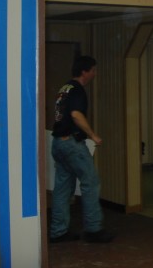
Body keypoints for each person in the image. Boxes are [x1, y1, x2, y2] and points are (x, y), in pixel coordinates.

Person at [49, 55, 114, 243]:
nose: (95, 73)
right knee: (91, 182)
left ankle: (58, 231)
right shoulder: (77, 90)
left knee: (62, 188)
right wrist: (93, 135)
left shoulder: (64, 88)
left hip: (58, 143)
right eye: (93, 70)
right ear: (85, 71)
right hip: (71, 144)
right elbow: (76, 115)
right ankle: (93, 229)